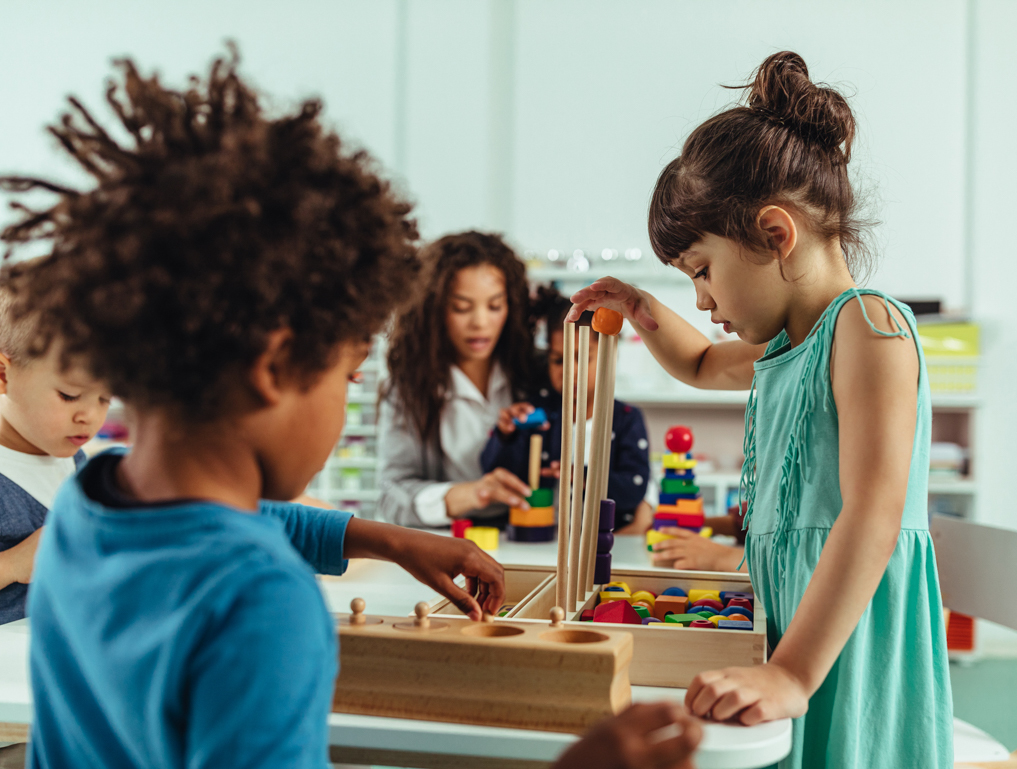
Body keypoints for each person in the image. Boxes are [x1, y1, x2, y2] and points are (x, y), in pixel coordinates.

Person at [2, 50, 702, 769]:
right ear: (275, 368)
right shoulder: (260, 603)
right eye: (347, 373)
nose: (346, 401)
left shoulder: (95, 500)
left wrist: (390, 540)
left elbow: (228, 521)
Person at [569, 52, 952, 768]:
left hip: (846, 630)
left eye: (703, 272)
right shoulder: (789, 345)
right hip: (796, 616)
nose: (704, 301)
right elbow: (698, 362)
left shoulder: (868, 329)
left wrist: (793, 671)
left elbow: (872, 511)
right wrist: (640, 308)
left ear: (777, 235)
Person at [378, 231, 539, 528]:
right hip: (451, 546)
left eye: (494, 306)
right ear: (434, 309)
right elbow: (392, 495)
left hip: (535, 540)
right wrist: (472, 494)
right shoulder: (408, 389)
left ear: (511, 306)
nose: (480, 322)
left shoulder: (537, 375)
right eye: (462, 307)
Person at [480, 290, 652, 533]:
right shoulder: (536, 412)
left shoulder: (626, 419)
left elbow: (633, 489)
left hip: (609, 541)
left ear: (610, 356)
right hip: (542, 538)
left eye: (582, 358)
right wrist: (505, 435)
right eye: (558, 360)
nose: (569, 370)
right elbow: (494, 472)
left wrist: (582, 477)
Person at [0, 286, 110, 624]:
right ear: (4, 374)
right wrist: (15, 563)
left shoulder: (73, 457)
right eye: (69, 395)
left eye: (105, 398)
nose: (89, 416)